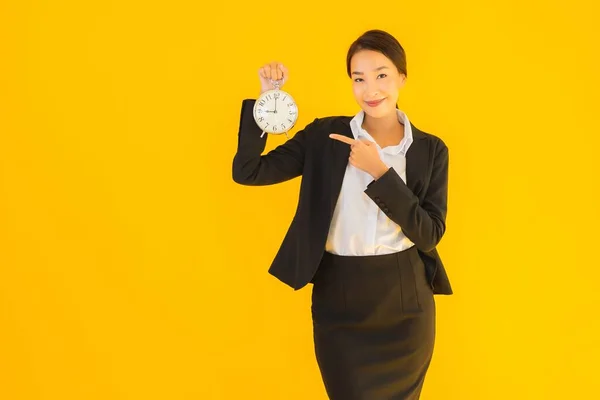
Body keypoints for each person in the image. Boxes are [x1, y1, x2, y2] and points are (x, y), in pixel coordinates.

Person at [232, 29, 453, 400]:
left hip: (405, 303)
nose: (371, 89)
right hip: (340, 300)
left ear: (402, 77)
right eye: (359, 78)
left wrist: (379, 172)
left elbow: (429, 233)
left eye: (382, 75)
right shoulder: (325, 136)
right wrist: (268, 103)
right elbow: (249, 171)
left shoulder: (430, 150)